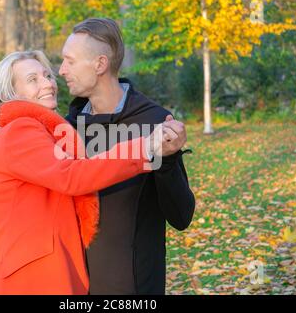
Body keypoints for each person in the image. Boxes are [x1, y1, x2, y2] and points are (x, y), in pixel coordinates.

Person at [0, 50, 178, 294]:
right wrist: (145, 147)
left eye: (47, 76)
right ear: (11, 94)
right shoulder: (20, 131)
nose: (48, 84)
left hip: (40, 273)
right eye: (33, 80)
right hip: (29, 279)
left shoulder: (37, 132)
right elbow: (71, 176)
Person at [60, 18, 196, 294]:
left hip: (133, 287)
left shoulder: (154, 123)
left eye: (70, 62)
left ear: (100, 65)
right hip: (74, 286)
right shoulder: (69, 127)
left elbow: (181, 216)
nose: (62, 70)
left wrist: (166, 160)